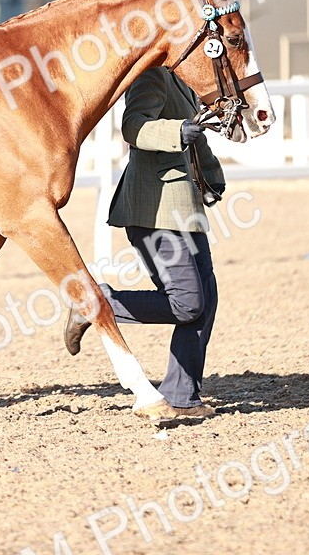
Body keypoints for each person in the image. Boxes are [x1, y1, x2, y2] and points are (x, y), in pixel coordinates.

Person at [64, 65, 225, 423]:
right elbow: (133, 127)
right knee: (187, 303)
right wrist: (176, 131)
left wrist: (212, 174)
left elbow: (196, 138)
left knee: (206, 300)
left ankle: (181, 396)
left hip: (185, 208)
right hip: (153, 210)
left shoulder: (183, 79)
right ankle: (96, 301)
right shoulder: (151, 74)